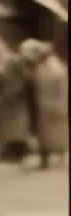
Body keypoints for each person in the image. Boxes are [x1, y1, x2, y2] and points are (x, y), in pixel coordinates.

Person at [0, 36, 33, 164]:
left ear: (1, 45)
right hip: (3, 99)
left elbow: (25, 78)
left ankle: (18, 152)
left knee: (16, 127)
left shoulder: (13, 59)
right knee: (6, 127)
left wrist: (16, 91)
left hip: (15, 98)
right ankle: (7, 151)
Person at [28, 41, 69, 169]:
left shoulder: (57, 68)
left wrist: (62, 105)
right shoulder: (40, 67)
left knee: (58, 134)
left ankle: (60, 157)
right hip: (44, 106)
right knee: (45, 135)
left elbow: (63, 88)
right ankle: (45, 159)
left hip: (55, 106)